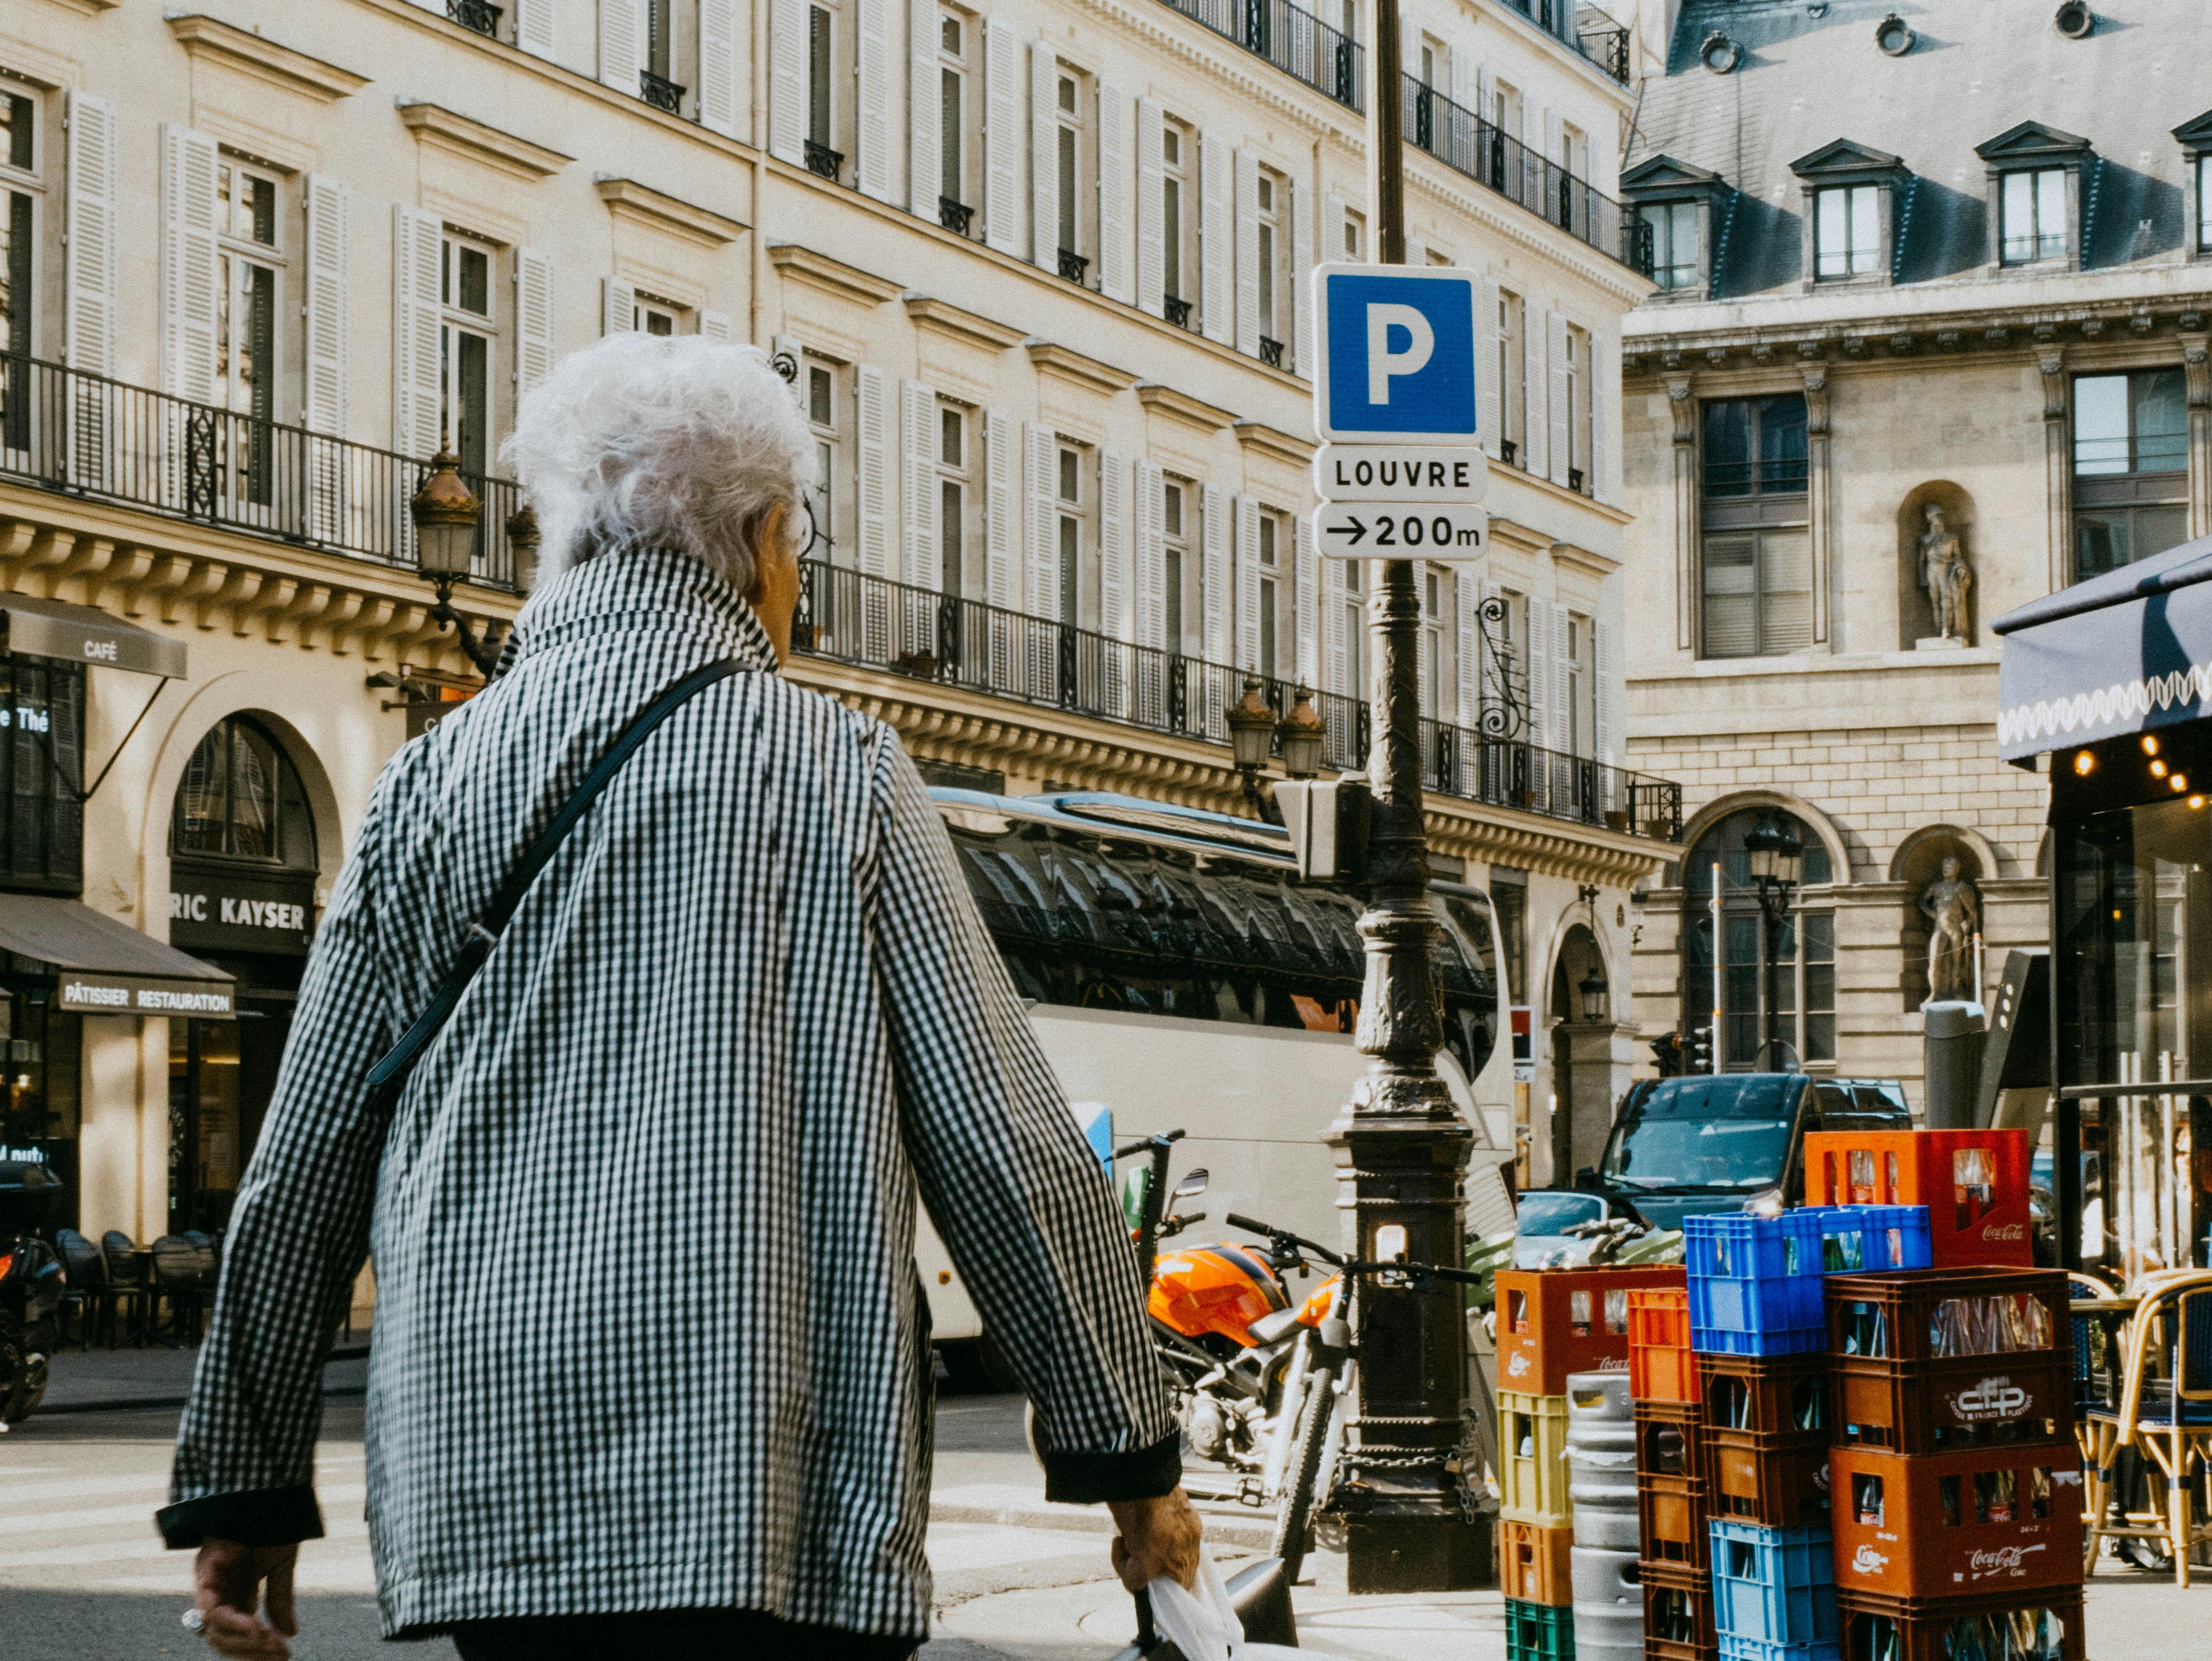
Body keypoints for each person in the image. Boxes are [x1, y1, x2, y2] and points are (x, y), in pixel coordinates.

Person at [159, 335, 1200, 1661]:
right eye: (799, 548)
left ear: (572, 542)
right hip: (768, 1494)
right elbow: (1008, 1151)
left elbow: (306, 1153)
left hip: (496, 1484)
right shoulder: (840, 777)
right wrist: (1131, 1461)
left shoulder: (428, 782)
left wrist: (246, 1483)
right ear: (762, 540)